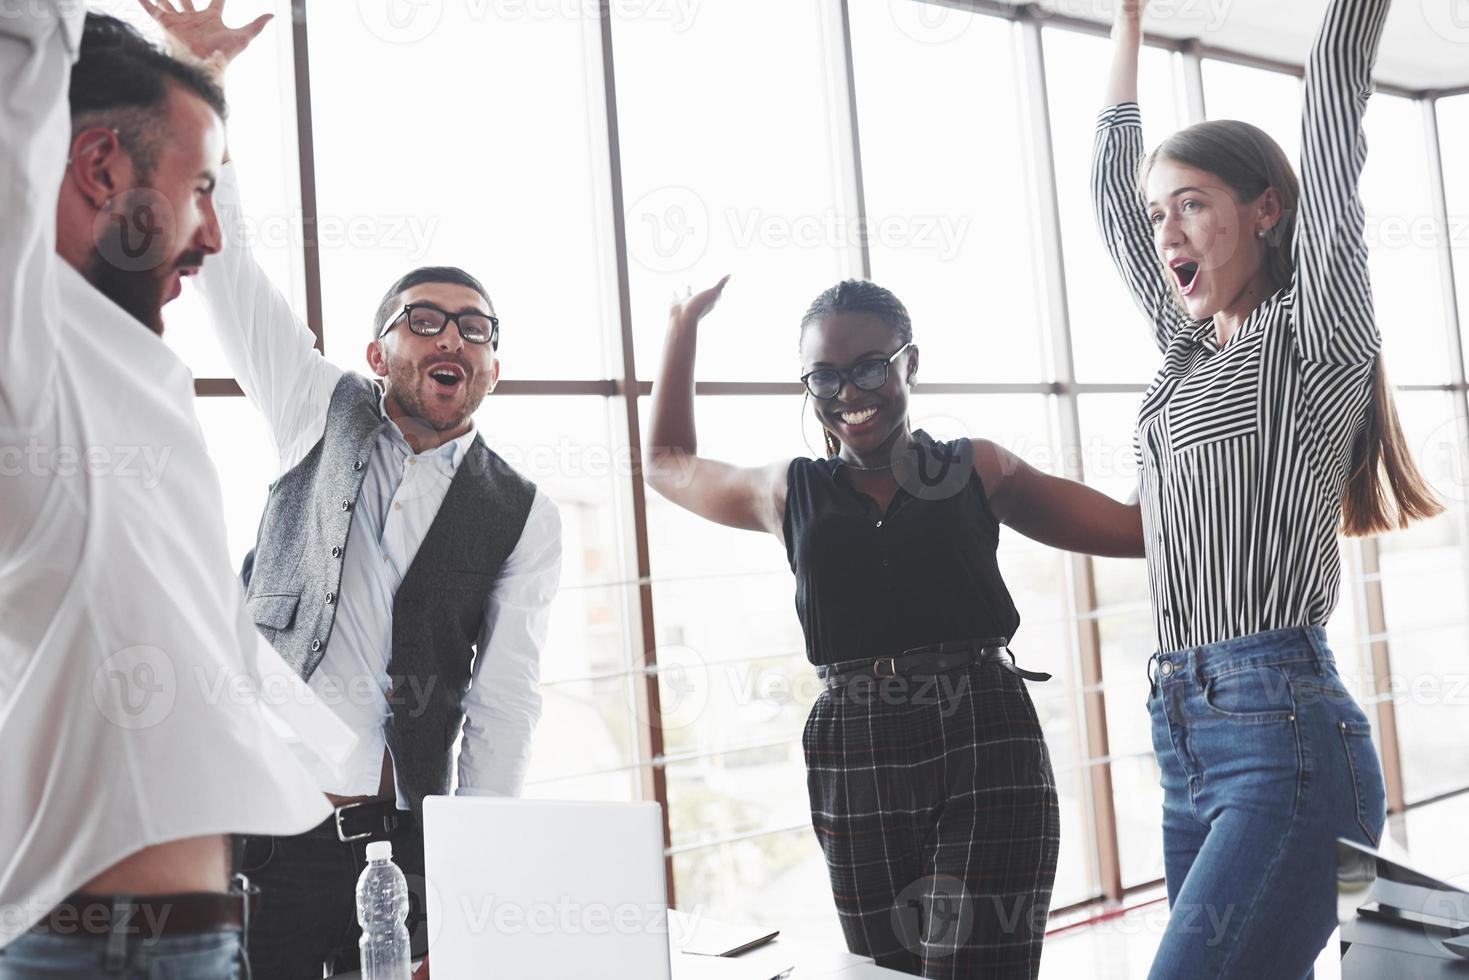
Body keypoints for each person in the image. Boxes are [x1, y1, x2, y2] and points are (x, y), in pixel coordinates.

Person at [135, 3, 563, 976]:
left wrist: (474, 885)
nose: (452, 336)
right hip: (269, 838)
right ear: (379, 352)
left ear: (494, 367)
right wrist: (201, 84)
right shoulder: (312, 406)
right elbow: (228, 269)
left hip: (408, 849)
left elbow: (503, 707)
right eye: (424, 319)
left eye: (476, 328)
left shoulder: (523, 513)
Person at [646, 275, 1144, 978]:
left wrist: (1180, 425)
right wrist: (682, 326)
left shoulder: (977, 466)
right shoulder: (788, 490)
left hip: (982, 731)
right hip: (853, 749)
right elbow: (666, 465)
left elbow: (1130, 529)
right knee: (890, 975)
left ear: (910, 362)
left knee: (972, 968)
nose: (849, 392)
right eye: (824, 375)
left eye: (870, 367)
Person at [1093, 0, 1443, 975]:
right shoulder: (1180, 354)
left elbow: (1331, 104)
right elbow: (1107, 197)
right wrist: (1124, 20)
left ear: (1264, 209)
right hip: (1180, 732)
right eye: (1159, 211)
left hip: (1282, 734)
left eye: (1192, 201)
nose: (1165, 227)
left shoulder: (1313, 333)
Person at [0, 6, 333, 978]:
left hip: (177, 936)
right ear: (98, 167)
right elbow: (23, 58)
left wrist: (184, 73)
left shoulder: (122, 368)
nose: (212, 232)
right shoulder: (33, 358)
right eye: (199, 189)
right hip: (105, 949)